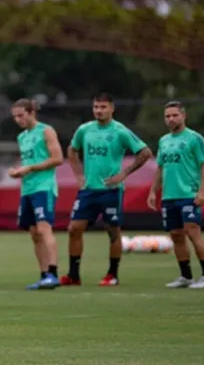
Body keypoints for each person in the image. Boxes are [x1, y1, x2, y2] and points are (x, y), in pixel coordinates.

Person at [61, 93, 153, 286]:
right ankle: (73, 275)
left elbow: (145, 153)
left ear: (112, 108)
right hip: (88, 191)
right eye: (96, 107)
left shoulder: (120, 131)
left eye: (103, 107)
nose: (99, 111)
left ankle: (112, 275)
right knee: (74, 229)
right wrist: (79, 175)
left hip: (111, 190)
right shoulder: (85, 129)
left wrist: (124, 173)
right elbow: (72, 150)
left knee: (112, 231)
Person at [147, 101, 204, 289]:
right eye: (167, 116)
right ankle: (186, 276)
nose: (171, 119)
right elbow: (160, 168)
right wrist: (153, 191)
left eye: (174, 115)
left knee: (193, 233)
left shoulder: (194, 138)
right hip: (169, 197)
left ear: (183, 116)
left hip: (189, 194)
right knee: (176, 235)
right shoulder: (163, 141)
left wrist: (203, 190)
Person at [8, 99, 63, 289]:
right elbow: (28, 162)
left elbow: (57, 158)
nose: (18, 120)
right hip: (28, 188)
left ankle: (53, 273)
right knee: (33, 233)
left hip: (44, 186)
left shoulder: (46, 131)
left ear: (32, 113)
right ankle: (43, 275)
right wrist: (18, 171)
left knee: (43, 228)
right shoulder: (22, 137)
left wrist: (30, 167)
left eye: (21, 115)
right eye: (15, 116)